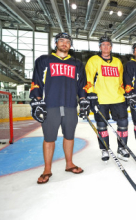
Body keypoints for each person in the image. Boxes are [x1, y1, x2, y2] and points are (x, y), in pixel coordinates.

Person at [30, 33, 88, 184]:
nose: (64, 43)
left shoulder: (77, 63)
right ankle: (47, 169)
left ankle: (69, 164)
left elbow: (82, 85)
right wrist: (36, 101)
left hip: (70, 105)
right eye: (61, 41)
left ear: (70, 45)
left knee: (69, 136)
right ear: (55, 43)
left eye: (67, 41)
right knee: (49, 138)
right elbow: (37, 81)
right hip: (51, 105)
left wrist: (83, 100)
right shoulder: (44, 60)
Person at [85, 36, 130, 162]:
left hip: (117, 98)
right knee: (101, 125)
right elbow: (89, 79)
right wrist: (91, 95)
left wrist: (124, 94)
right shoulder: (93, 60)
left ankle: (122, 148)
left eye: (108, 45)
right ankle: (104, 148)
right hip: (101, 99)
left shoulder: (117, 62)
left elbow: (121, 80)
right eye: (103, 45)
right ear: (100, 47)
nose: (106, 47)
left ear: (111, 47)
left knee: (123, 124)